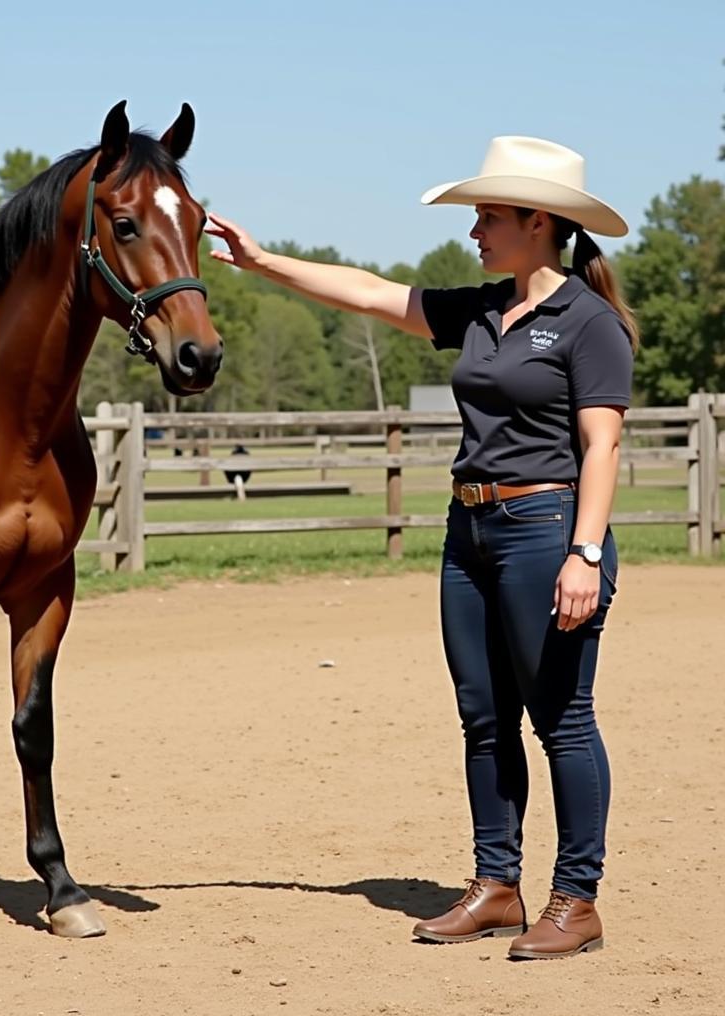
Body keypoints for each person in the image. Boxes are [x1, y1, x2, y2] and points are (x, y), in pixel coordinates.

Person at [205, 136, 636, 960]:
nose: (475, 228)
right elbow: (369, 293)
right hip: (468, 531)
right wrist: (261, 262)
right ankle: (497, 886)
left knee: (562, 722)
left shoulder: (588, 322)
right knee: (483, 717)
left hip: (546, 532)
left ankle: (576, 900)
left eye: (487, 215)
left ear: (537, 222)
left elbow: (602, 446)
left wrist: (584, 554)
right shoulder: (481, 309)